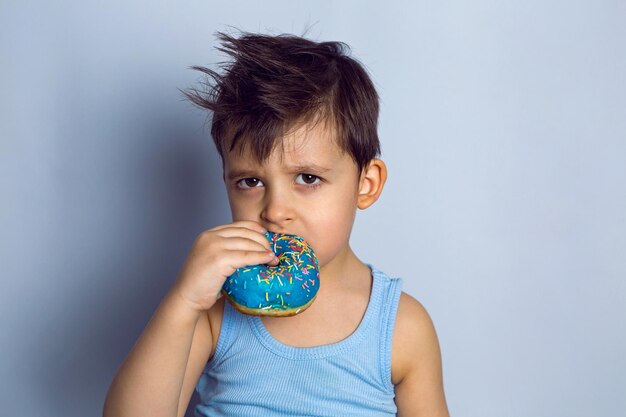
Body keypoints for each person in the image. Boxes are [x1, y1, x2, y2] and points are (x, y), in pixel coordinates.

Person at [103, 30, 449, 417]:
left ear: (365, 185)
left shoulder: (400, 325)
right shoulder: (216, 310)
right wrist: (183, 302)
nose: (274, 211)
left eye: (307, 178)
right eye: (250, 182)